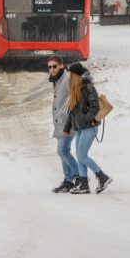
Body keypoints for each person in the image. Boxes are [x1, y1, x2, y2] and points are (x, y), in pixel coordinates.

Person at [62, 63, 113, 194]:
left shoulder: (88, 87)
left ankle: (103, 177)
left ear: (75, 75)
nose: (68, 76)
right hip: (80, 128)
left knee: (81, 155)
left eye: (69, 73)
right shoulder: (75, 88)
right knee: (80, 156)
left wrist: (85, 119)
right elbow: (72, 111)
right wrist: (68, 127)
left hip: (89, 127)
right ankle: (83, 185)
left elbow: (95, 107)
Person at [48, 56, 79, 193]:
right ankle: (68, 180)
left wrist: (68, 122)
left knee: (62, 150)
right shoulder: (57, 80)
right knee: (62, 152)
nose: (52, 70)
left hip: (68, 122)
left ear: (61, 65)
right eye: (49, 67)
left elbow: (74, 100)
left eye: (54, 66)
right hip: (60, 123)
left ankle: (79, 177)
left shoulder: (67, 79)